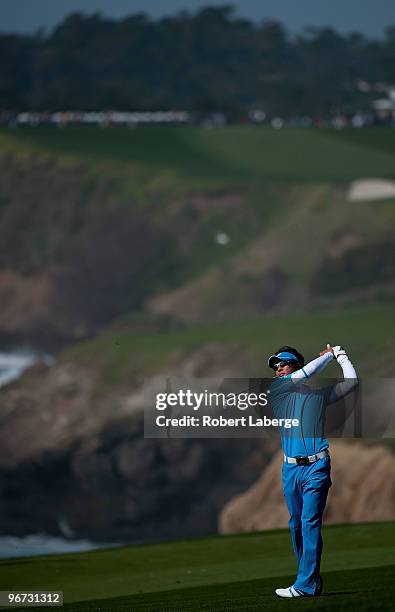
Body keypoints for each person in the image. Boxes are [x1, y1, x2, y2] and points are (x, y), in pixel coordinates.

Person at [267, 344, 358, 598]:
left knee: (309, 523)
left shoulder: (318, 396)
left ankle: (305, 584)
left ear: (296, 364)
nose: (278, 369)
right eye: (275, 366)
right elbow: (306, 374)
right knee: (296, 524)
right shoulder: (278, 391)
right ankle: (309, 580)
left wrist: (340, 355)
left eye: (283, 364)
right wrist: (327, 356)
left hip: (317, 466)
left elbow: (351, 382)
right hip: (290, 469)